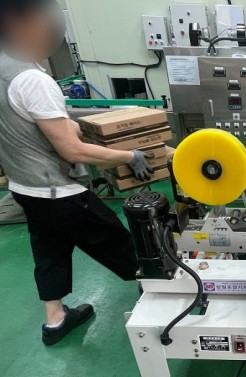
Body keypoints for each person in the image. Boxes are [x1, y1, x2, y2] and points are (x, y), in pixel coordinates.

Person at [0, 0, 152, 345]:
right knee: (120, 243)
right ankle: (158, 295)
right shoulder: (31, 79)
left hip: (24, 187)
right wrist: (129, 155)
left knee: (49, 251)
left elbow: (32, 118)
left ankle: (55, 322)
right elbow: (72, 150)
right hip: (58, 191)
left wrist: (77, 119)